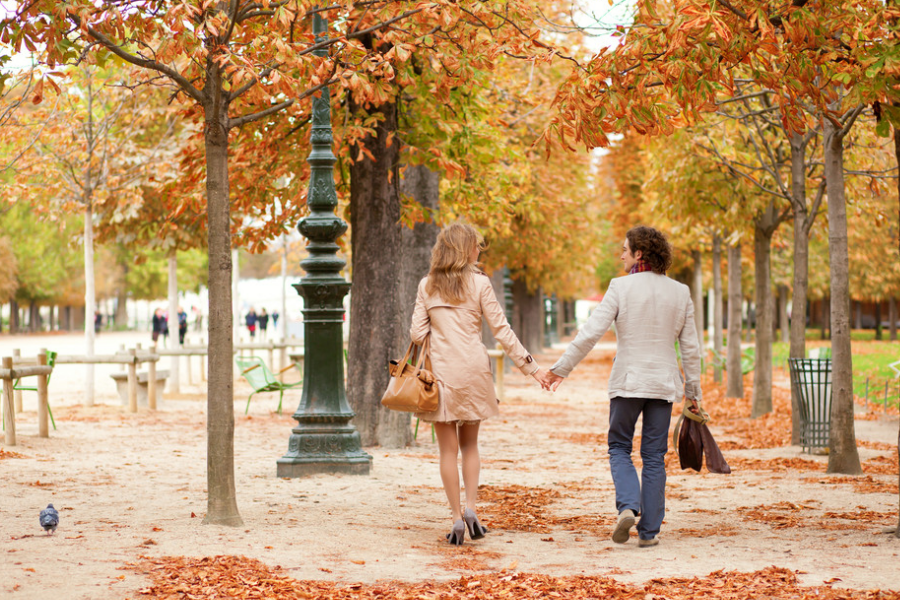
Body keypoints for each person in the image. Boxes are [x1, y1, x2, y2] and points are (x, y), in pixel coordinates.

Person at [542, 226, 703, 548]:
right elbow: (691, 348)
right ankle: (649, 533)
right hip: (662, 385)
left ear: (639, 253)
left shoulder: (620, 287)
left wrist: (562, 368)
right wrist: (693, 393)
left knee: (619, 447)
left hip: (627, 383)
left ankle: (628, 506)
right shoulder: (680, 292)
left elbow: (590, 333)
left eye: (625, 250)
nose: (621, 255)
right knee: (654, 456)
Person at [410, 222, 548, 546]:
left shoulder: (427, 286)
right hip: (473, 371)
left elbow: (416, 334)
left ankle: (456, 517)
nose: (478, 251)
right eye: (476, 246)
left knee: (447, 450)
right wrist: (533, 368)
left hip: (441, 374)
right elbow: (501, 330)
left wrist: (440, 331)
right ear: (465, 249)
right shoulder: (480, 284)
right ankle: (472, 509)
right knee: (470, 445)